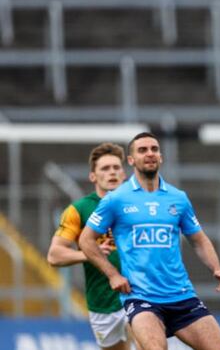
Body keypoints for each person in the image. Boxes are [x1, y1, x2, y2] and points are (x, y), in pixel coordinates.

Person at [78, 132, 220, 350]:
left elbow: (198, 239)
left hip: (181, 295)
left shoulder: (178, 198)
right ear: (131, 160)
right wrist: (112, 275)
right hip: (141, 298)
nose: (150, 153)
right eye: (142, 150)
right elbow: (86, 240)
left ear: (160, 157)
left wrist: (217, 268)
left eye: (154, 149)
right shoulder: (116, 199)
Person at [47, 143, 133, 350]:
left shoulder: (139, 205)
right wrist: (89, 254)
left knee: (148, 341)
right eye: (104, 168)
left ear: (124, 174)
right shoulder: (79, 210)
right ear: (93, 177)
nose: (111, 172)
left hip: (139, 293)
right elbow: (54, 255)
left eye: (116, 167)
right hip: (102, 301)